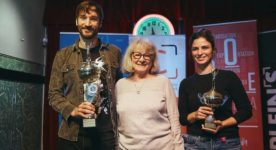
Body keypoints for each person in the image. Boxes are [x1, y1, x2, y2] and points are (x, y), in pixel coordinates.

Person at [48, 1, 121, 150]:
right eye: (83, 17)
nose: (87, 23)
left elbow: (120, 90)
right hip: (72, 136)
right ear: (76, 21)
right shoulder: (63, 55)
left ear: (100, 23)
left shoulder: (114, 52)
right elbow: (53, 94)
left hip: (106, 135)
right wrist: (72, 110)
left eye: (93, 18)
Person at [178, 29, 252, 150]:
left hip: (226, 141)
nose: (200, 52)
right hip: (196, 143)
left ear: (213, 51)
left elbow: (246, 111)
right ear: (191, 53)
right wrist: (195, 115)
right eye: (195, 49)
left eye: (205, 47)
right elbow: (182, 119)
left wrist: (223, 124)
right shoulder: (186, 83)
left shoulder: (229, 77)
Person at [115, 38, 184, 150]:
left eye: (147, 55)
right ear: (130, 57)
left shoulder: (163, 82)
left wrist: (178, 147)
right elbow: (117, 122)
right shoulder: (120, 85)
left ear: (153, 59)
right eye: (137, 55)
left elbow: (174, 119)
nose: (142, 59)